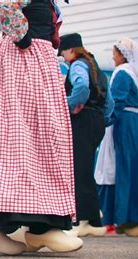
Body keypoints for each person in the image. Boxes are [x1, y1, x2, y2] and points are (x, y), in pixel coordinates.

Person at [0, 0, 83, 255]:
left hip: (39, 61)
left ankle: (40, 227)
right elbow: (6, 5)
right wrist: (23, 39)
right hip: (23, 61)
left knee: (44, 139)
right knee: (16, 139)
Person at [59, 33, 110, 236]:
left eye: (63, 53)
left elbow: (81, 88)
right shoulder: (96, 66)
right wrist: (102, 121)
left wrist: (67, 105)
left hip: (82, 120)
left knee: (79, 170)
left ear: (71, 50)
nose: (62, 57)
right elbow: (110, 102)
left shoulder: (78, 65)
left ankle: (82, 219)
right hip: (96, 120)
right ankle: (95, 220)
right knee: (86, 167)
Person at [102, 38, 138, 237]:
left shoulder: (122, 73)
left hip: (125, 124)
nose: (112, 57)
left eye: (114, 53)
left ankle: (126, 219)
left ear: (122, 54)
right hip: (136, 123)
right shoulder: (136, 73)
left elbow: (117, 101)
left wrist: (105, 121)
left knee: (124, 168)